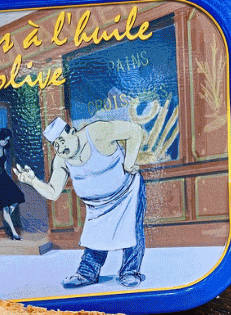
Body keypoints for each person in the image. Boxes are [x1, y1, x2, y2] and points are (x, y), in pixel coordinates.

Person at [13, 115, 146, 287]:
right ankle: (87, 274)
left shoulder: (96, 132)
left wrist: (128, 163)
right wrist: (33, 181)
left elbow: (134, 131)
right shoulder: (61, 160)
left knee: (132, 231)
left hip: (127, 192)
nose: (61, 148)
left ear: (72, 132)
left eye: (62, 141)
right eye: (56, 145)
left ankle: (130, 272)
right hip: (97, 206)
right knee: (95, 237)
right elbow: (53, 192)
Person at [0, 128, 24, 240]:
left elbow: (5, 165)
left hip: (4, 176)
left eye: (7, 140)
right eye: (5, 140)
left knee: (19, 196)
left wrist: (5, 174)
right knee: (5, 207)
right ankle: (14, 233)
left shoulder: (5, 150)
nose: (6, 142)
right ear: (0, 138)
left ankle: (7, 216)